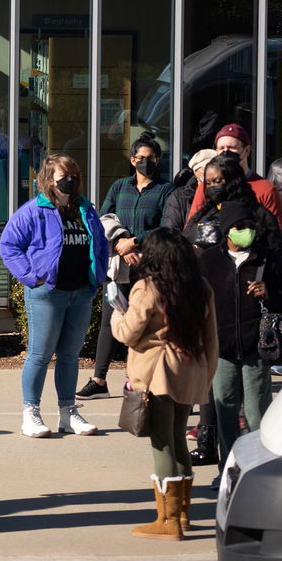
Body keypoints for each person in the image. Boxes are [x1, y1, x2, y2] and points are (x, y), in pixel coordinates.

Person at [111, 228, 219, 541]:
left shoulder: (148, 287)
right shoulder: (201, 286)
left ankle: (168, 520)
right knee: (178, 438)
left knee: (162, 442)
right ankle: (182, 514)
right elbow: (211, 337)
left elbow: (129, 332)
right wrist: (207, 374)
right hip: (191, 370)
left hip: (157, 373)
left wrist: (116, 317)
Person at [0, 154, 108, 438]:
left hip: (80, 292)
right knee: (39, 354)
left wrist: (97, 278)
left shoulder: (86, 209)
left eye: (74, 174)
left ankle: (67, 412)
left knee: (70, 356)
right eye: (63, 176)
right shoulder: (32, 210)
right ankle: (31, 413)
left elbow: (101, 245)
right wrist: (31, 277)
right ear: (49, 180)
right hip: (47, 293)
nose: (70, 180)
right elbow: (9, 246)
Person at [79, 132, 173, 401]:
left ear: (158, 159)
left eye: (151, 158)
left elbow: (167, 226)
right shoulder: (120, 187)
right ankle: (99, 379)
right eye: (141, 158)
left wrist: (135, 242)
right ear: (132, 160)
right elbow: (103, 219)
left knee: (146, 324)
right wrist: (121, 241)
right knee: (110, 322)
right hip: (119, 266)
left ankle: (138, 379)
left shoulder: (166, 190)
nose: (146, 162)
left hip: (149, 268)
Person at [197, 201, 281, 488]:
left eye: (250, 226)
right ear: (226, 231)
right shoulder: (208, 260)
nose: (247, 231)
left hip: (254, 348)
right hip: (221, 348)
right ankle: (227, 471)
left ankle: (261, 472)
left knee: (258, 413)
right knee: (225, 412)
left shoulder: (267, 259)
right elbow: (198, 303)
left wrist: (269, 292)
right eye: (240, 227)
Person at [187, 123, 282, 229]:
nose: (225, 152)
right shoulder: (207, 186)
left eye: (231, 148)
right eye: (221, 148)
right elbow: (191, 226)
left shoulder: (266, 189)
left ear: (246, 150)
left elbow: (276, 234)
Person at [161, 149, 217, 231]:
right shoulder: (180, 196)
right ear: (195, 171)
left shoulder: (224, 193)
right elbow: (171, 229)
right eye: (206, 168)